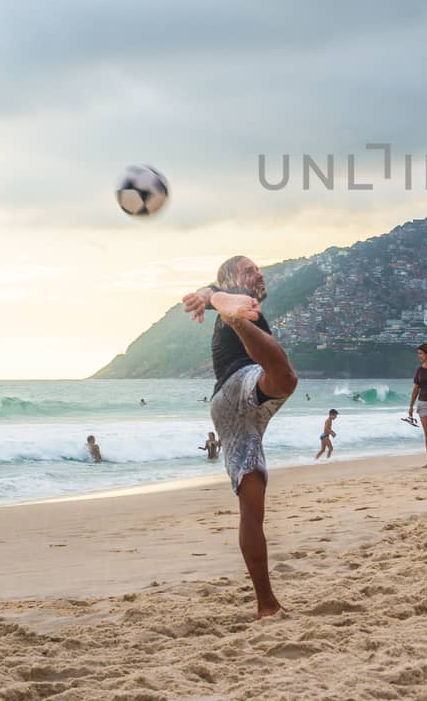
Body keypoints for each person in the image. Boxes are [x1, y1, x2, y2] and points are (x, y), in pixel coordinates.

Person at [182, 255, 298, 619]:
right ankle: (239, 324)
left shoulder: (240, 303)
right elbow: (214, 290)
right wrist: (217, 298)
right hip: (240, 384)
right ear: (231, 280)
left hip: (233, 410)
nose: (259, 273)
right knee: (286, 380)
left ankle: (267, 605)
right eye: (250, 270)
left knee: (252, 508)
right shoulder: (232, 298)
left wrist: (208, 294)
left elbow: (209, 290)